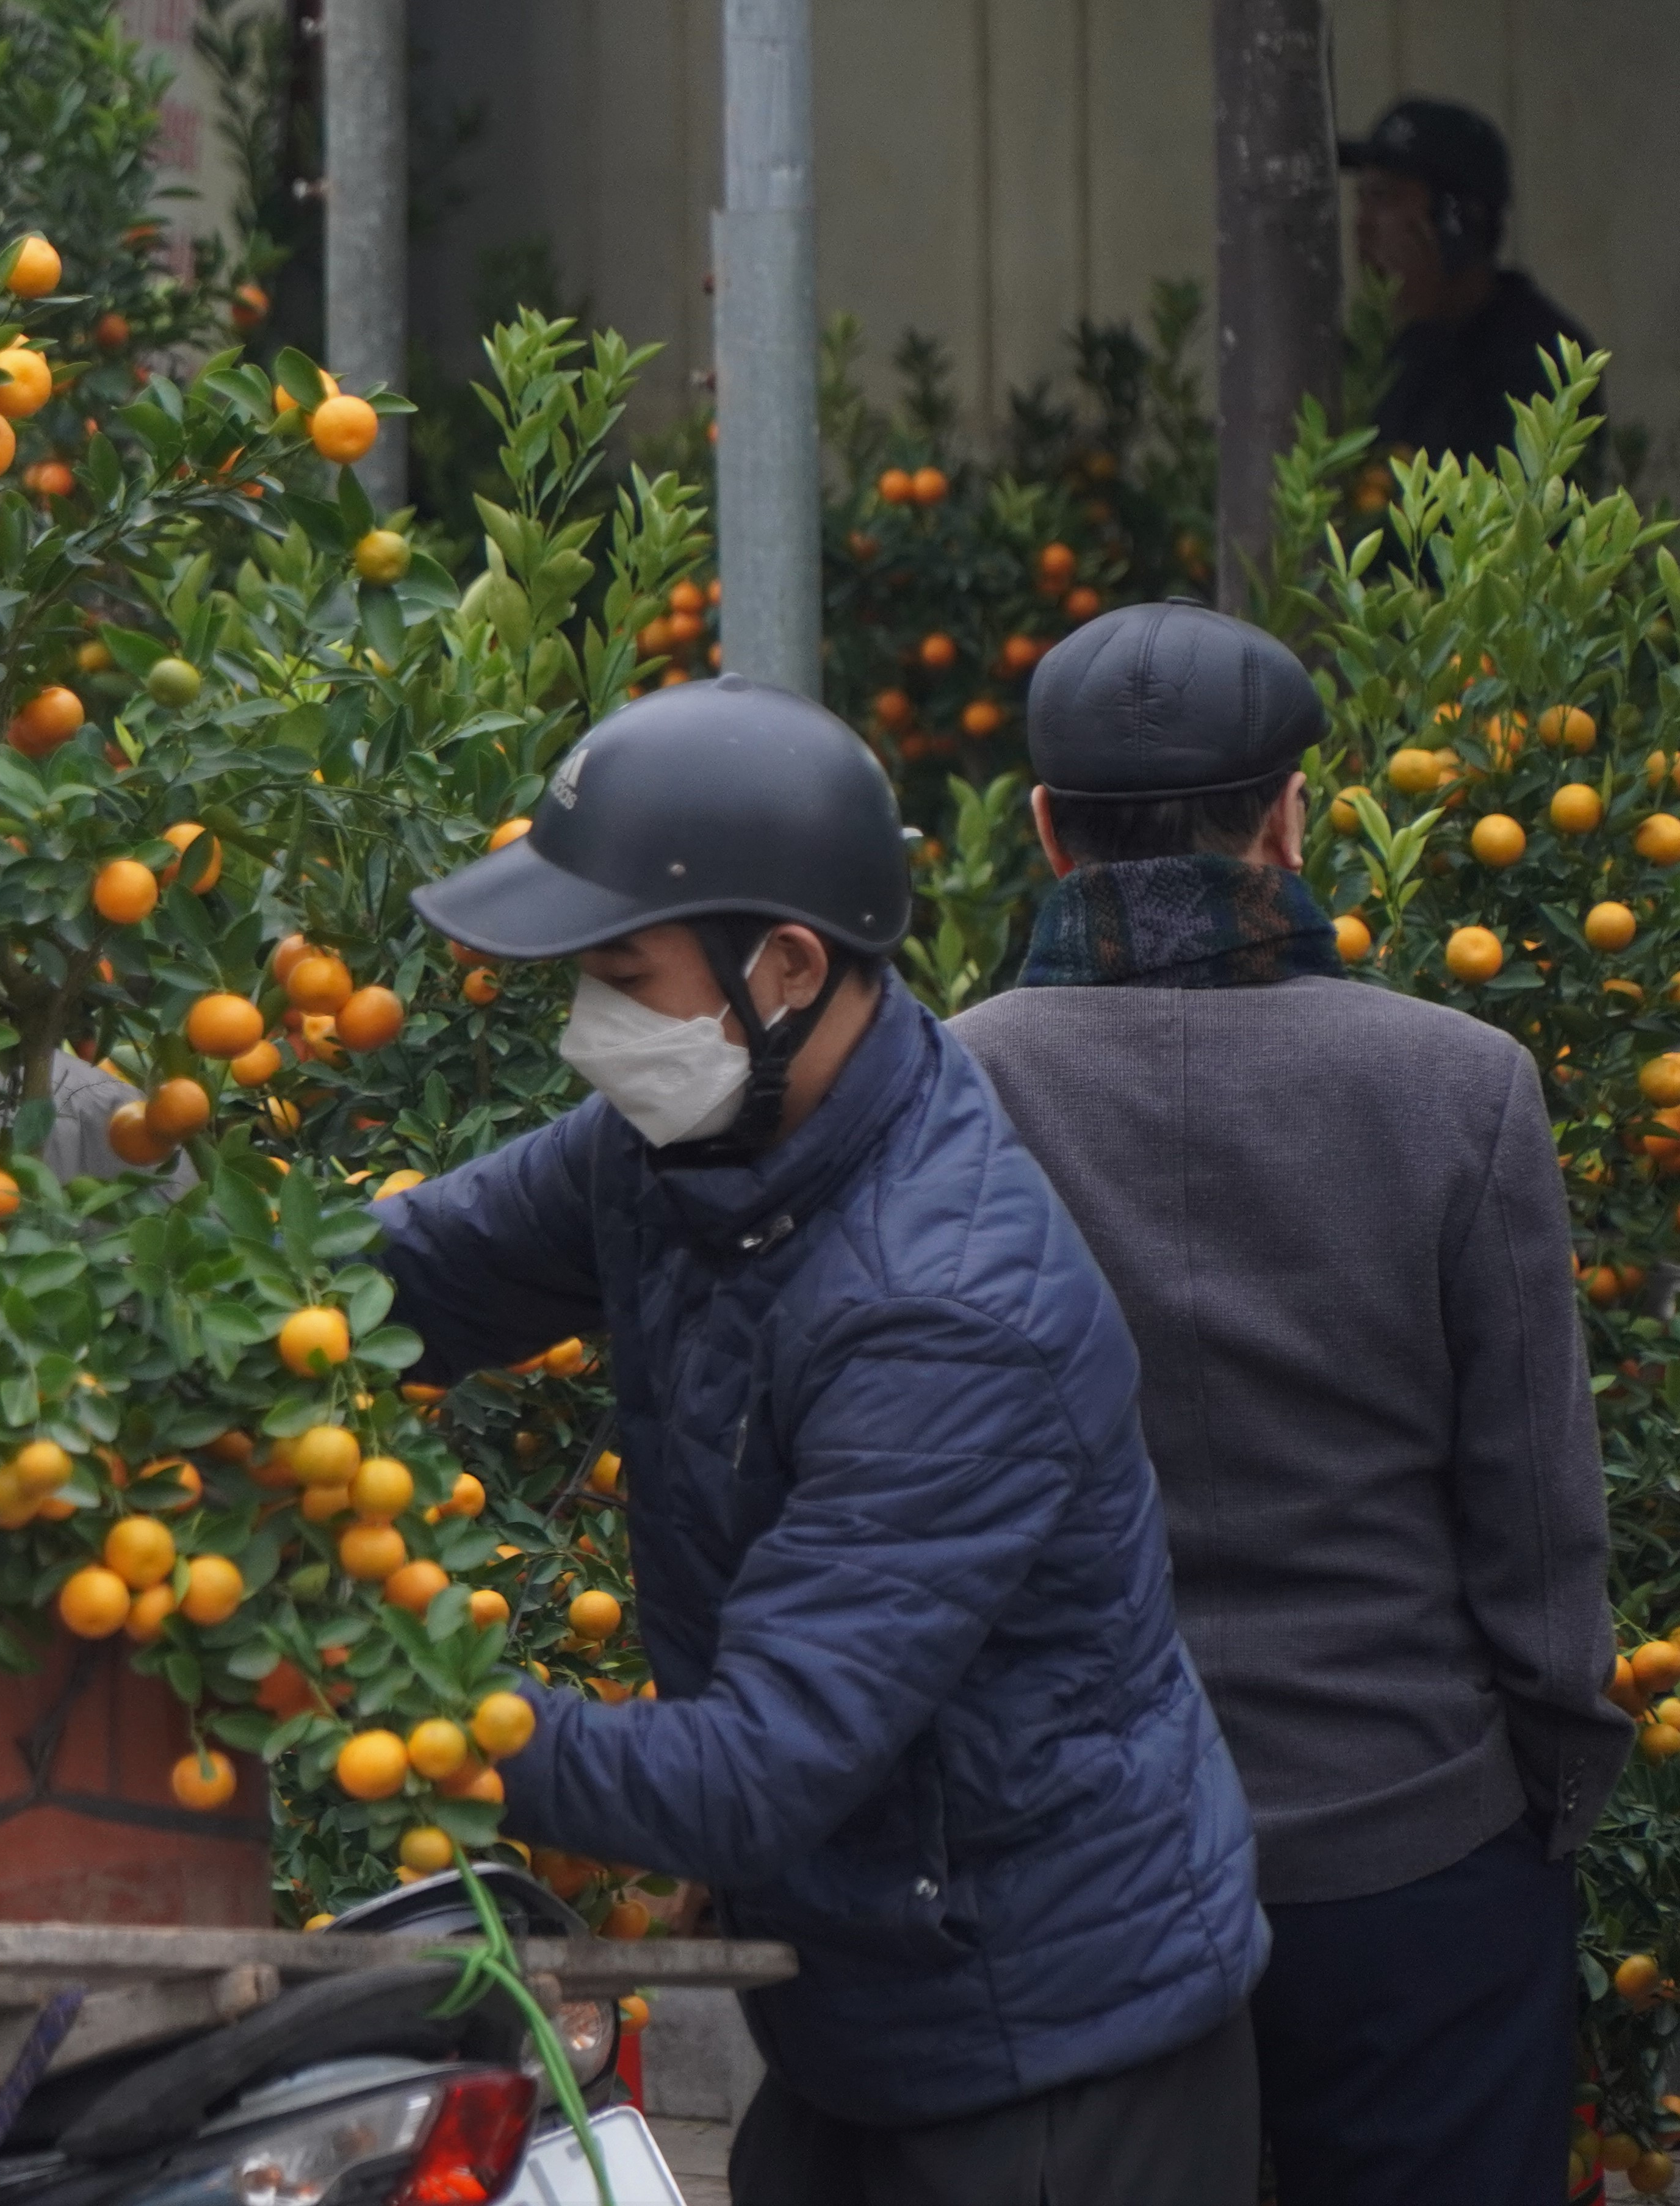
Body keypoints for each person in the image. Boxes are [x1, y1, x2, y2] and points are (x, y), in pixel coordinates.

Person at [372, 675, 1265, 2206]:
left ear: (782, 965)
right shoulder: (691, 1137)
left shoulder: (943, 1305)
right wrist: (148, 1275)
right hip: (861, 2000)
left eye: (620, 969)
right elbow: (409, 1279)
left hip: (1047, 2056)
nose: (589, 1023)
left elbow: (751, 1770)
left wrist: (392, 1693)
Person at [949, 602, 1620, 2206]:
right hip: (1410, 1850)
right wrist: (1536, 1803)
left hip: (1061, 1871)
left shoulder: (944, 1092)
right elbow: (1538, 1518)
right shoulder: (1463, 1086)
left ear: (1045, 832)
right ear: (1291, 819)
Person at [1343, 96, 1595, 466]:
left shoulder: (1544, 356)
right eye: (1361, 199)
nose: (1362, 224)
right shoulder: (1369, 352)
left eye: (1384, 198)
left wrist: (1426, 334)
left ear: (1455, 221)